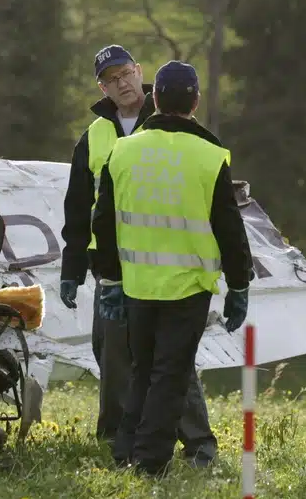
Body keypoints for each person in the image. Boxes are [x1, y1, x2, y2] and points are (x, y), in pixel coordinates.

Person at [60, 44, 224, 466]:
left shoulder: (175, 117)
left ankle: (197, 443)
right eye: (111, 79)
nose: (122, 83)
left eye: (126, 73)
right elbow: (79, 206)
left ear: (140, 72)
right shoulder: (94, 137)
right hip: (114, 267)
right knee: (113, 354)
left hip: (172, 265)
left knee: (173, 360)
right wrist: (72, 267)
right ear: (103, 87)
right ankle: (118, 439)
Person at [91, 60, 253, 476]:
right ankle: (149, 462)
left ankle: (126, 449)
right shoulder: (210, 156)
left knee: (144, 371)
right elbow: (230, 228)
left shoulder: (122, 152)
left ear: (155, 99)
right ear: (195, 101)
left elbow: (102, 221)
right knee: (170, 375)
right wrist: (238, 286)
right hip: (187, 287)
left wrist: (109, 279)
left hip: (137, 285)